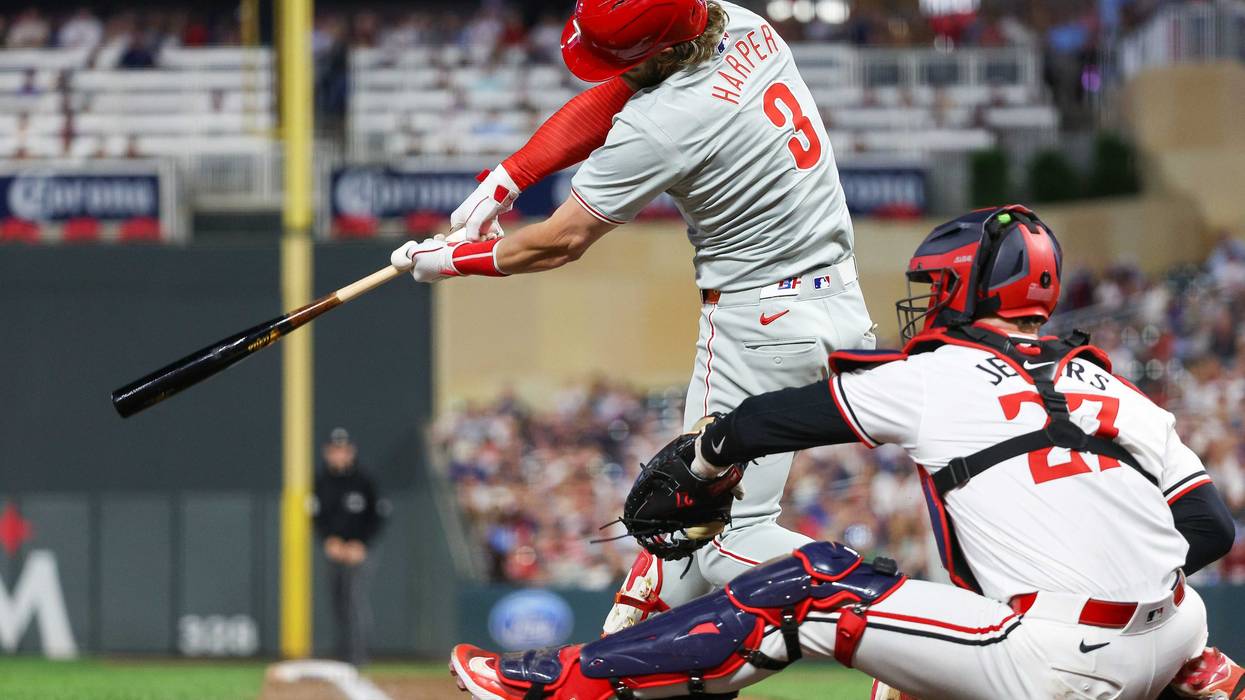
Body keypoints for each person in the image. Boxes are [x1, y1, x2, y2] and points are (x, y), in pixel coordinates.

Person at [449, 206, 1243, 700]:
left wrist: (706, 456)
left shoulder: (938, 375)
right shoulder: (1116, 389)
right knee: (913, 675)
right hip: (1173, 634)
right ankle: (1184, 677)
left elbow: (769, 420)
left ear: (963, 292)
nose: (928, 303)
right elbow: (1208, 530)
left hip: (1057, 664)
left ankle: (559, 685)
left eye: (937, 287)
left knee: (812, 584)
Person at [392, 0, 877, 640]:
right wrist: (512, 175)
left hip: (759, 323)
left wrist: (452, 260)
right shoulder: (736, 22)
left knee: (719, 542)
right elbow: (617, 92)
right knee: (684, 532)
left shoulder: (665, 122)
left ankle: (882, 606)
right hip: (835, 300)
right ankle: (620, 658)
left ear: (657, 52)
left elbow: (559, 241)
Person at [312, 427, 385, 667]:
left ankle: (359, 655)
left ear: (351, 452)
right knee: (338, 602)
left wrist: (361, 543)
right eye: (335, 450)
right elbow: (316, 515)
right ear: (327, 453)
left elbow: (378, 515)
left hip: (359, 551)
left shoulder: (364, 480)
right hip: (334, 550)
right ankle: (343, 654)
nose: (339, 455)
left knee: (355, 599)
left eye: (343, 450)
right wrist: (329, 539)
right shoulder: (321, 482)